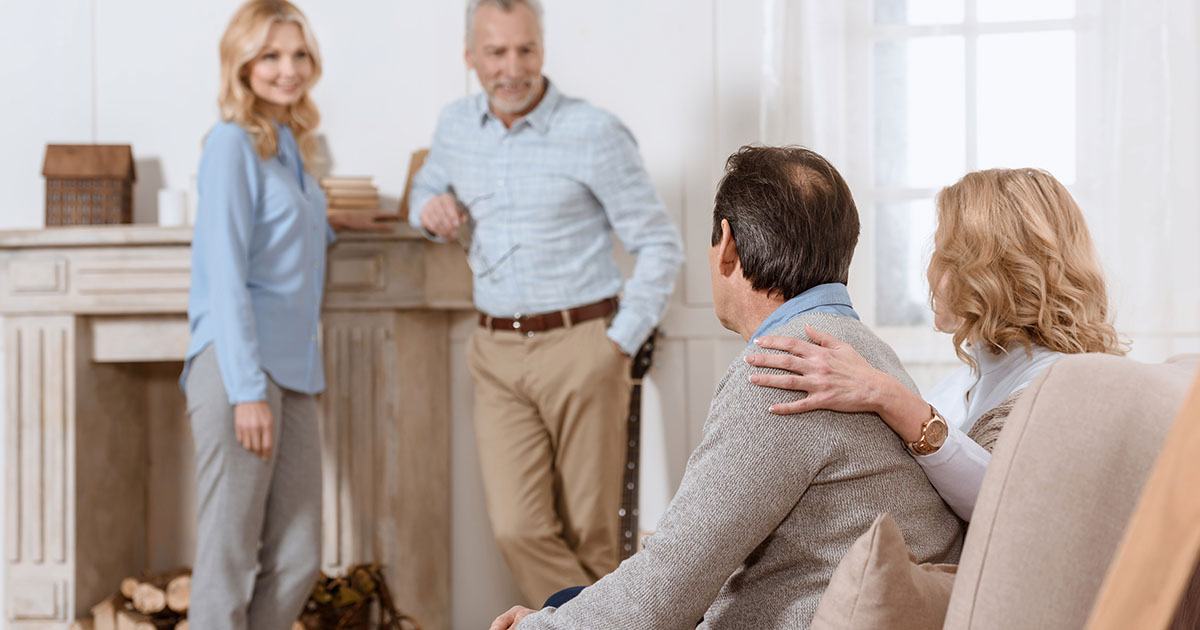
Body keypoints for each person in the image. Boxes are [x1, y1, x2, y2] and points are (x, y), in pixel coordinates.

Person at [488, 146, 963, 630]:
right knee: (569, 598)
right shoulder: (865, 353)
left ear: (728, 247)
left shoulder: (782, 371)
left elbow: (664, 591)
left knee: (559, 605)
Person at [408, 0, 685, 606]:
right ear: (469, 56)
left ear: (542, 49)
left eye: (525, 50)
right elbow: (424, 188)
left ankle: (584, 620)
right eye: (495, 52)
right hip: (494, 354)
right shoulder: (454, 126)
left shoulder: (594, 131)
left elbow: (660, 244)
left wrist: (617, 344)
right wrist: (428, 210)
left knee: (594, 534)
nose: (512, 69)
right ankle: (599, 621)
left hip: (582, 346)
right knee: (518, 528)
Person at [747, 168, 1125, 520]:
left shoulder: (1062, 387)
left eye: (947, 255)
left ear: (999, 272)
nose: (930, 272)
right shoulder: (964, 384)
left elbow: (1008, 506)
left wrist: (888, 396)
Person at [180, 2, 392, 628]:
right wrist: (246, 391)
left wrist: (330, 221)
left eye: (299, 54)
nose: (288, 69)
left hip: (296, 371)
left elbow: (281, 238)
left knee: (299, 558)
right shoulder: (230, 144)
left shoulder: (289, 146)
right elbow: (226, 272)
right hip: (238, 369)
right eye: (270, 55)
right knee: (228, 557)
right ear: (242, 63)